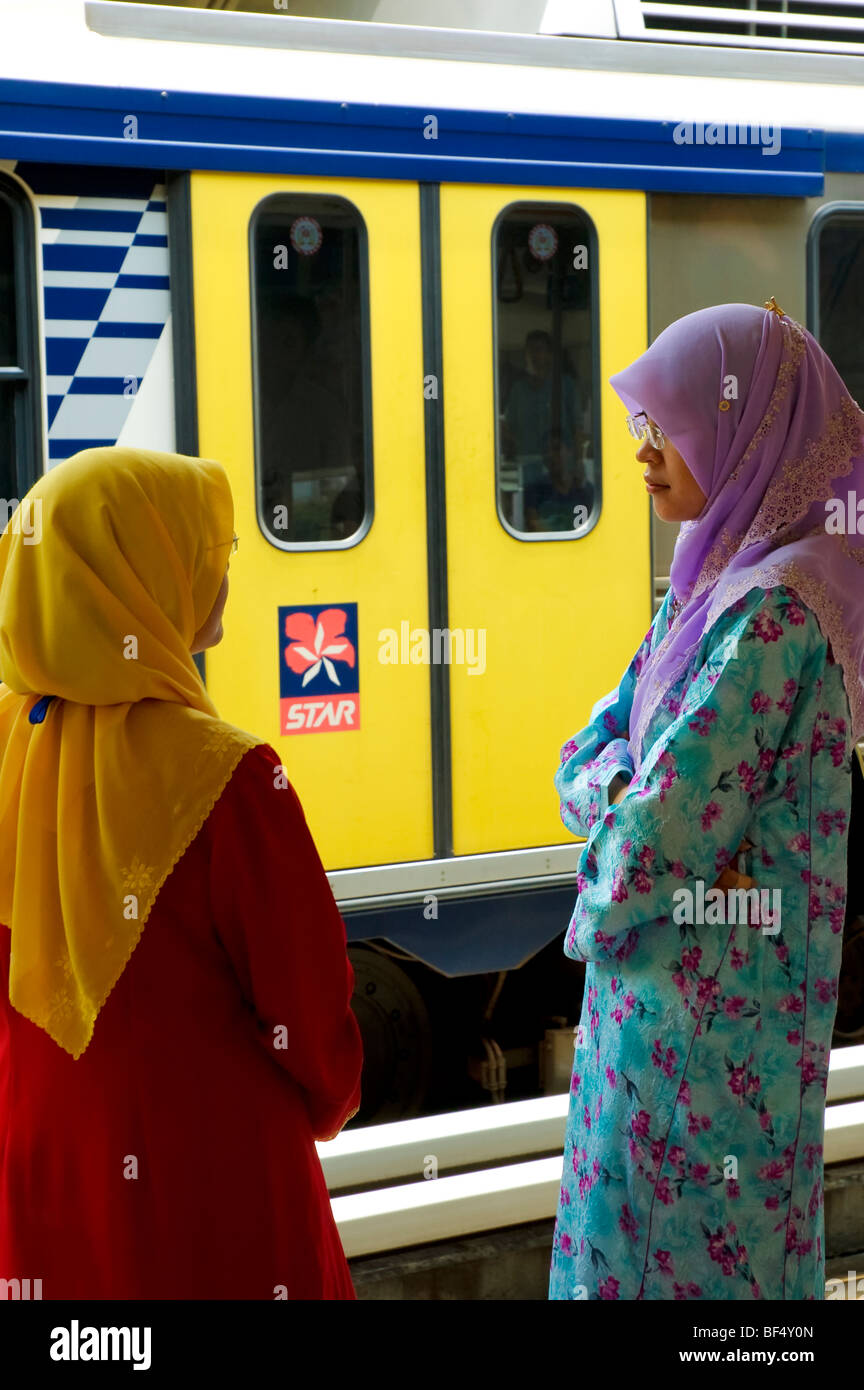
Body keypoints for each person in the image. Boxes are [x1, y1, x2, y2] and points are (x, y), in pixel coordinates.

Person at [549, 301, 864, 1301]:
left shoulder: (775, 613)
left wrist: (625, 811)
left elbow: (645, 850)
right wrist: (623, 797)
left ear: (749, 431)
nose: (644, 451)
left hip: (710, 1053)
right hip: (664, 1023)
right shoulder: (705, 592)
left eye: (669, 423)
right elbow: (583, 756)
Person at [0, 447, 363, 1300]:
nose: (225, 570)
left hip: (35, 1153)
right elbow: (308, 1009)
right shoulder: (227, 776)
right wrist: (327, 1104)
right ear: (143, 571)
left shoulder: (10, 745)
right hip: (207, 1171)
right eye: (210, 550)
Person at [501, 330, 586, 462]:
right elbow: (507, 426)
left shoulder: (565, 386)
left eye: (538, 349)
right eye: (529, 351)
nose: (533, 355)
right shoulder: (518, 390)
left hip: (561, 467)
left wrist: (579, 463)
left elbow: (577, 427)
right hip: (527, 464)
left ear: (549, 355)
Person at [524, 428, 595, 532]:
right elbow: (533, 525)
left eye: (556, 449)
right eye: (545, 451)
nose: (550, 455)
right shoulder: (534, 490)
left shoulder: (585, 490)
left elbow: (593, 527)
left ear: (570, 452)